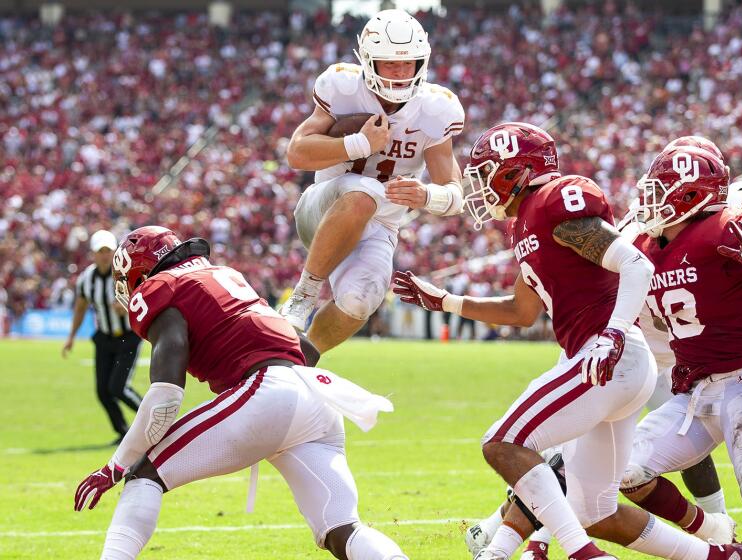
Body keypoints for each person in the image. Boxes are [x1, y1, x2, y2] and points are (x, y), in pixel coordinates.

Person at [395, 122, 742, 560]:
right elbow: (521, 311)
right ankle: (723, 556)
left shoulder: (555, 200)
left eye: (487, 172)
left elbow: (637, 266)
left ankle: (580, 553)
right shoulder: (526, 221)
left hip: (605, 357)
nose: (481, 185)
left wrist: (610, 335)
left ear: (517, 171)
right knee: (597, 511)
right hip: (617, 364)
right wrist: (448, 302)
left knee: (503, 444)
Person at [73, 226, 406, 560]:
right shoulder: (222, 275)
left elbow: (165, 397)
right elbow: (302, 347)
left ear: (142, 271)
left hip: (267, 392)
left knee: (144, 474)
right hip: (315, 396)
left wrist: (116, 465)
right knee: (342, 531)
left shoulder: (163, 288)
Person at [618, 143, 742, 560]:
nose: (650, 199)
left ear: (692, 197)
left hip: (741, 382)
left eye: (661, 189)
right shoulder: (645, 242)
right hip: (690, 393)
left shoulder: (727, 229)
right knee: (628, 474)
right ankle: (713, 532)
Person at [280, 8, 465, 353]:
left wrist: (427, 195)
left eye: (407, 63)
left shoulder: (437, 109)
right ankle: (303, 295)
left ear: (421, 62)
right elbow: (297, 153)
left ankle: (297, 361)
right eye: (389, 63)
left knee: (361, 300)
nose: (399, 73)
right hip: (323, 207)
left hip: (381, 225)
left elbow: (455, 194)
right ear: (368, 61)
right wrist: (360, 144)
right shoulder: (342, 86)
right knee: (365, 192)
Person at [63, 229, 143, 444]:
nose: (105, 255)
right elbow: (80, 307)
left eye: (108, 250)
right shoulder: (87, 278)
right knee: (102, 391)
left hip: (128, 336)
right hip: (105, 338)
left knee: (118, 387)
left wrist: (127, 308)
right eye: (101, 251)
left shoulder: (126, 273)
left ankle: (154, 424)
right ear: (93, 254)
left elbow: (146, 301)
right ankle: (123, 432)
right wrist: (71, 336)